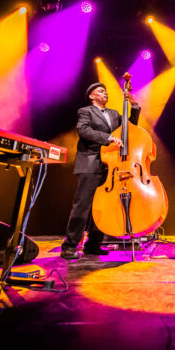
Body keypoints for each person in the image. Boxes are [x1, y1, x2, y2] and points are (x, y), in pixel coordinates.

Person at [61, 82, 140, 259]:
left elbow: (130, 126)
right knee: (83, 206)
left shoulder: (113, 114)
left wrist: (134, 105)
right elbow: (83, 130)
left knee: (103, 206)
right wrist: (108, 138)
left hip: (110, 165)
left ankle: (93, 244)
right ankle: (69, 246)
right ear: (91, 96)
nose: (105, 93)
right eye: (101, 91)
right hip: (90, 162)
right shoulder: (85, 111)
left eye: (106, 91)